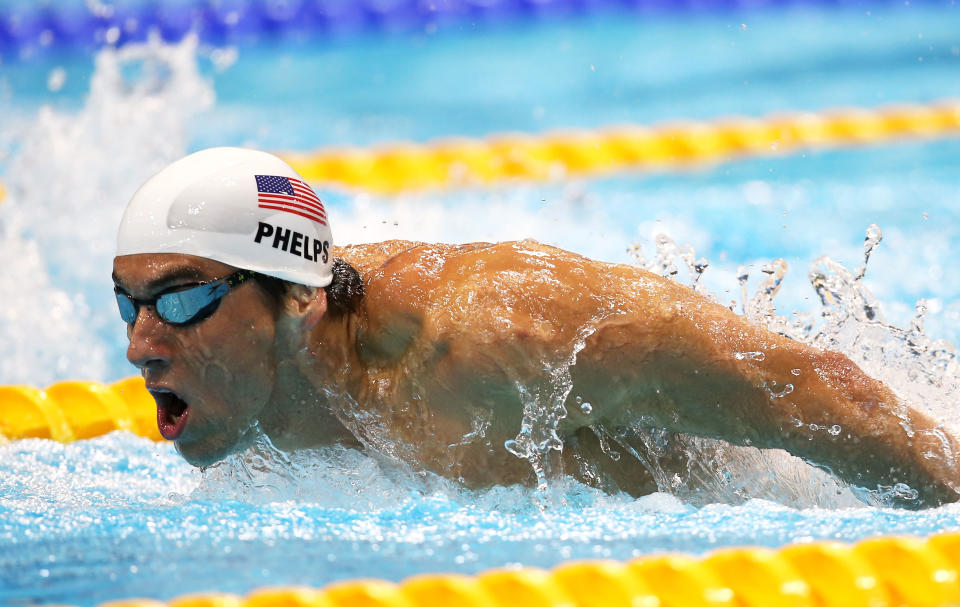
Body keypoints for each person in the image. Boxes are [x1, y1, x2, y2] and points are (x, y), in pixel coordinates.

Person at [112, 147, 960, 507]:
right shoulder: (250, 399)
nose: (141, 344)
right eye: (129, 301)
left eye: (182, 299)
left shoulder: (489, 337)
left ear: (297, 295)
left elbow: (802, 390)